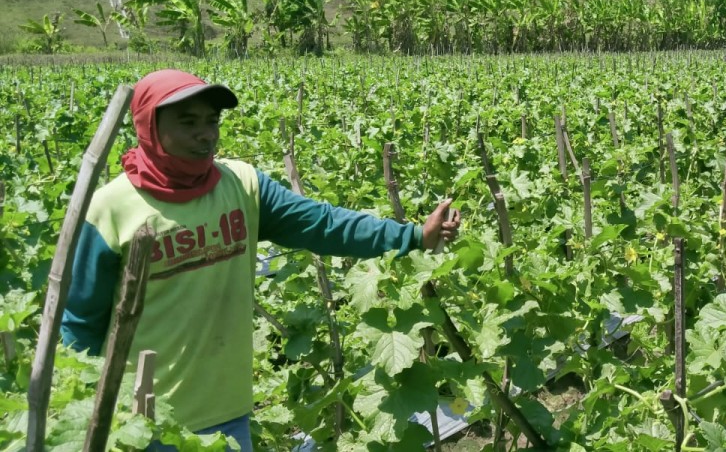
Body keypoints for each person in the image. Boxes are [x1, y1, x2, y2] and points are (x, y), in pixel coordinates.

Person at [61, 69, 461, 451]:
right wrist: (93, 422)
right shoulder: (110, 211)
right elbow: (80, 324)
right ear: (148, 126)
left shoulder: (242, 185)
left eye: (211, 120)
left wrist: (411, 237)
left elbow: (324, 224)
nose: (205, 135)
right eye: (187, 123)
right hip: (143, 419)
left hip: (226, 410)